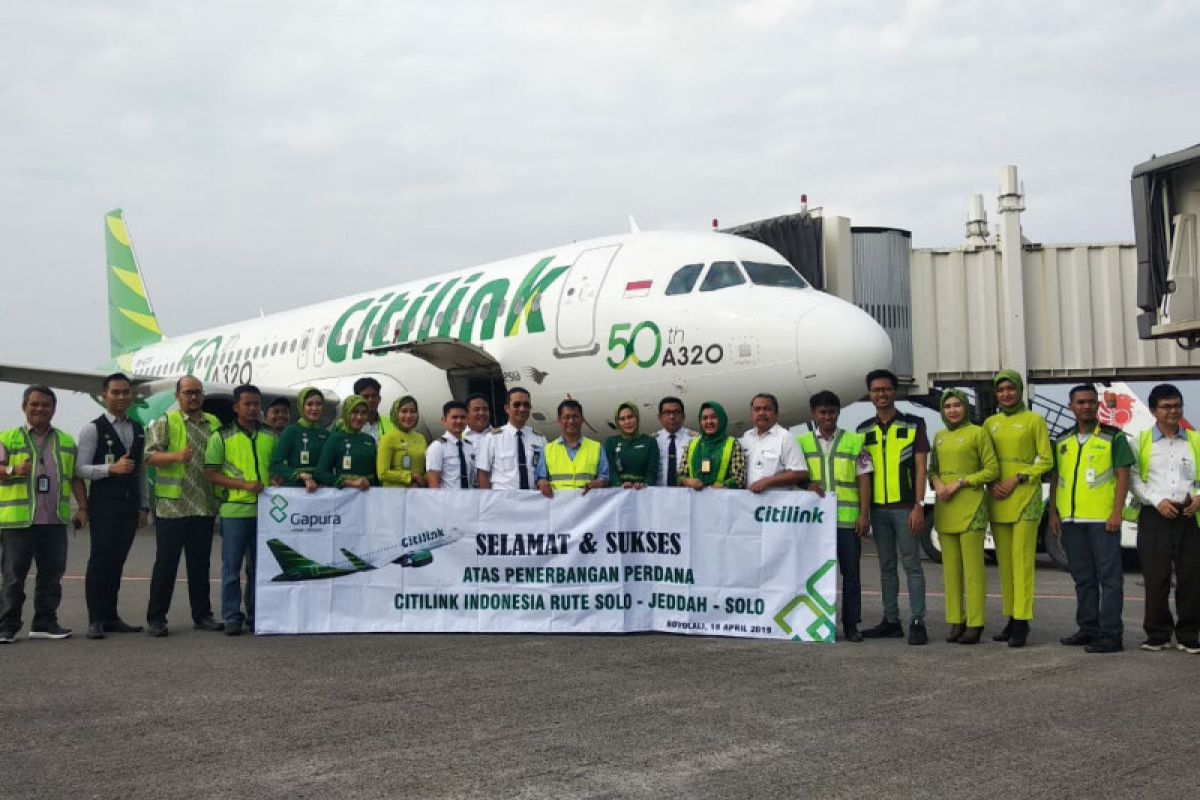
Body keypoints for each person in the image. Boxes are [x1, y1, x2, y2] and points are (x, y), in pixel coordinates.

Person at [1048, 385, 1134, 654]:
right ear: (1070, 406)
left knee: (1109, 578)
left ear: (1097, 405)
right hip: (1072, 520)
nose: (1086, 406)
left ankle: (1111, 634)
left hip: (1102, 520)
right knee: (1082, 577)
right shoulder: (1062, 441)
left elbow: (1123, 476)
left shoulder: (1113, 437)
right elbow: (1055, 478)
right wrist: (1053, 512)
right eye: (1080, 402)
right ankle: (1088, 628)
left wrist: (1116, 512)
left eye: (1090, 402)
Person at [0, 385, 86, 643]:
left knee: (52, 576)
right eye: (34, 404)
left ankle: (45, 622)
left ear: (54, 409)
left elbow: (75, 478)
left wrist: (82, 507)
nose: (39, 409)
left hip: (53, 521)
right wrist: (13, 469)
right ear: (24, 407)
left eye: (45, 405)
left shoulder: (66, 441)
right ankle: (6, 626)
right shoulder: (8, 438)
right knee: (14, 578)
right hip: (18, 521)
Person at [144, 377, 224, 637]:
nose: (193, 397)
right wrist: (175, 457)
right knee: (166, 565)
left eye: (197, 393)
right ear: (177, 396)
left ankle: (202, 615)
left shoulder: (214, 423)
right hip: (172, 506)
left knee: (200, 565)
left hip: (203, 504)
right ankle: (157, 618)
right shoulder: (166, 422)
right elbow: (148, 456)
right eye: (188, 393)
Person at [856, 369, 929, 645]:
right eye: (876, 390)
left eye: (886, 389)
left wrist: (919, 505)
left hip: (906, 508)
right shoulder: (863, 430)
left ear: (894, 392)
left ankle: (917, 621)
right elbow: (863, 473)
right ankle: (890, 620)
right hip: (878, 509)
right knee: (886, 566)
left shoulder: (914, 424)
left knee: (912, 564)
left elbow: (921, 467)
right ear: (870, 394)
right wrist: (864, 512)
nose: (881, 394)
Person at [75, 372, 148, 639]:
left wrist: (144, 506)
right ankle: (95, 619)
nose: (121, 397)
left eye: (125, 392)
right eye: (115, 392)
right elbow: (79, 469)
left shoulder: (138, 429)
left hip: (129, 507)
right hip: (104, 505)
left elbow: (140, 471)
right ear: (104, 396)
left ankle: (111, 615)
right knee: (100, 561)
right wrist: (111, 468)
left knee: (117, 561)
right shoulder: (92, 429)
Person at [1129, 383, 1200, 654]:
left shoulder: (1195, 440)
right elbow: (1133, 478)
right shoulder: (1140, 442)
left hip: (1189, 515)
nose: (1173, 411)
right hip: (1155, 514)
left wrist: (1198, 496)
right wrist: (1157, 501)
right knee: (1155, 576)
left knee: (1192, 577)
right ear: (1153, 411)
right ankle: (1157, 633)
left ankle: (1189, 634)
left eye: (1177, 405)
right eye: (1167, 407)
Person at [797, 390, 872, 642]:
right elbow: (797, 476)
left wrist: (864, 514)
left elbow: (864, 479)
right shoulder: (802, 443)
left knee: (851, 575)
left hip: (847, 522)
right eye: (822, 412)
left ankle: (851, 625)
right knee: (813, 575)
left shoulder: (855, 441)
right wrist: (807, 485)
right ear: (813, 415)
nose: (828, 417)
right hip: (816, 523)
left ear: (839, 412)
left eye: (832, 412)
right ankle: (815, 622)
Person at [984, 369, 1052, 648]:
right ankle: (1011, 616)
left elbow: (1046, 460)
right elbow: (983, 460)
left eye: (1010, 389)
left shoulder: (1034, 420)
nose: (1006, 394)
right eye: (1000, 390)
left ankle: (1023, 621)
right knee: (1005, 564)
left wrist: (1019, 477)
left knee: (1022, 562)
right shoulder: (990, 423)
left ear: (1019, 390)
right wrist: (991, 484)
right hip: (998, 496)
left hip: (1024, 495)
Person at [928, 389, 998, 645]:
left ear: (966, 407)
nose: (953, 410)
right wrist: (937, 484)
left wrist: (960, 482)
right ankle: (956, 619)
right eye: (947, 406)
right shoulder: (939, 437)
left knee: (973, 570)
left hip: (972, 505)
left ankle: (975, 622)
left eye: (957, 405)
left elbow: (992, 469)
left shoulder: (979, 433)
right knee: (951, 571)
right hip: (945, 507)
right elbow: (932, 469)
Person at [204, 384, 274, 636]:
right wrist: (243, 485)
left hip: (265, 512)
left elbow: (275, 468)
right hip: (235, 511)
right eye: (248, 404)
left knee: (258, 568)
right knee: (231, 568)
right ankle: (232, 615)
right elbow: (210, 473)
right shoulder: (220, 436)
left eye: (256, 404)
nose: (253, 408)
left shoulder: (269, 435)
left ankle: (256, 614)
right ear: (236, 407)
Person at [536, 400, 609, 496]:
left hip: (588, 505)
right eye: (566, 417)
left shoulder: (597, 447)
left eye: (575, 417)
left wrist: (601, 482)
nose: (571, 421)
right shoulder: (547, 450)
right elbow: (540, 478)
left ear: (582, 419)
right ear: (559, 420)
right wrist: (542, 484)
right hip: (558, 505)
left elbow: (605, 477)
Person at [477, 387, 545, 490]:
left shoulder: (539, 438)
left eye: (526, 405)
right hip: (503, 500)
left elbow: (543, 472)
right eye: (517, 405)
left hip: (531, 499)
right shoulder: (492, 438)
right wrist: (486, 500)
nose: (522, 409)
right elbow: (483, 473)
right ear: (507, 408)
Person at [740, 393, 806, 493]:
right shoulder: (746, 438)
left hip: (775, 505)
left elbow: (799, 473)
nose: (761, 413)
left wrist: (767, 482)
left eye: (767, 409)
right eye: (757, 409)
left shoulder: (785, 437)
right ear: (751, 414)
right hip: (749, 504)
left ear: (776, 413)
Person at [269, 387, 329, 493]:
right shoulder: (291, 431)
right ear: (302, 406)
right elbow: (276, 464)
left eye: (318, 404)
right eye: (309, 404)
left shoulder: (325, 434)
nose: (315, 408)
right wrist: (301, 475)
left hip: (320, 491)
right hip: (296, 491)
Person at [679, 402, 745, 490]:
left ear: (722, 419)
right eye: (704, 418)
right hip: (694, 500)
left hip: (722, 500)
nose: (709, 422)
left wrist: (723, 486)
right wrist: (687, 481)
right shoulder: (692, 444)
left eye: (714, 417)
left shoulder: (733, 444)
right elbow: (680, 476)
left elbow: (738, 479)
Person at [316, 395, 379, 489]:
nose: (359, 417)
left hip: (368, 497)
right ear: (346, 413)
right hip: (345, 497)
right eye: (354, 412)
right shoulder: (336, 439)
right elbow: (320, 473)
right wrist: (350, 483)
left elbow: (376, 475)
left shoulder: (369, 440)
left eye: (364, 413)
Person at [605, 402, 659, 488]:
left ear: (637, 418)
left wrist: (644, 484)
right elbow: (611, 471)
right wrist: (620, 484)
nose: (627, 422)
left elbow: (652, 471)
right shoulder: (611, 442)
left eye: (630, 417)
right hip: (618, 493)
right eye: (622, 419)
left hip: (642, 492)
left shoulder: (650, 442)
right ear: (618, 422)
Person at [378, 396, 428, 488]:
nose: (409, 416)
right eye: (404, 411)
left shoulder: (421, 438)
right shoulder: (388, 437)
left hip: (417, 493)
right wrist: (411, 477)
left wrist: (421, 481)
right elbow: (382, 473)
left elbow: (426, 468)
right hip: (395, 494)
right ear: (396, 413)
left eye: (413, 411)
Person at [426, 401, 475, 489]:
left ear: (467, 420)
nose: (459, 421)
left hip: (468, 499)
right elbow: (433, 483)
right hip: (447, 500)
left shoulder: (470, 447)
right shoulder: (437, 447)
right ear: (444, 420)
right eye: (454, 417)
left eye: (463, 417)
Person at [654, 397, 696, 488]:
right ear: (659, 417)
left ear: (683, 416)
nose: (672, 416)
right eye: (667, 413)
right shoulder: (653, 441)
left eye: (676, 412)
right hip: (658, 494)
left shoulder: (694, 440)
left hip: (686, 493)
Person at [352, 377, 393, 443]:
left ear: (379, 399)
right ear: (356, 400)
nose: (370, 400)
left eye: (374, 396)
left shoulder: (391, 424)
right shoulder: (344, 425)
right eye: (366, 396)